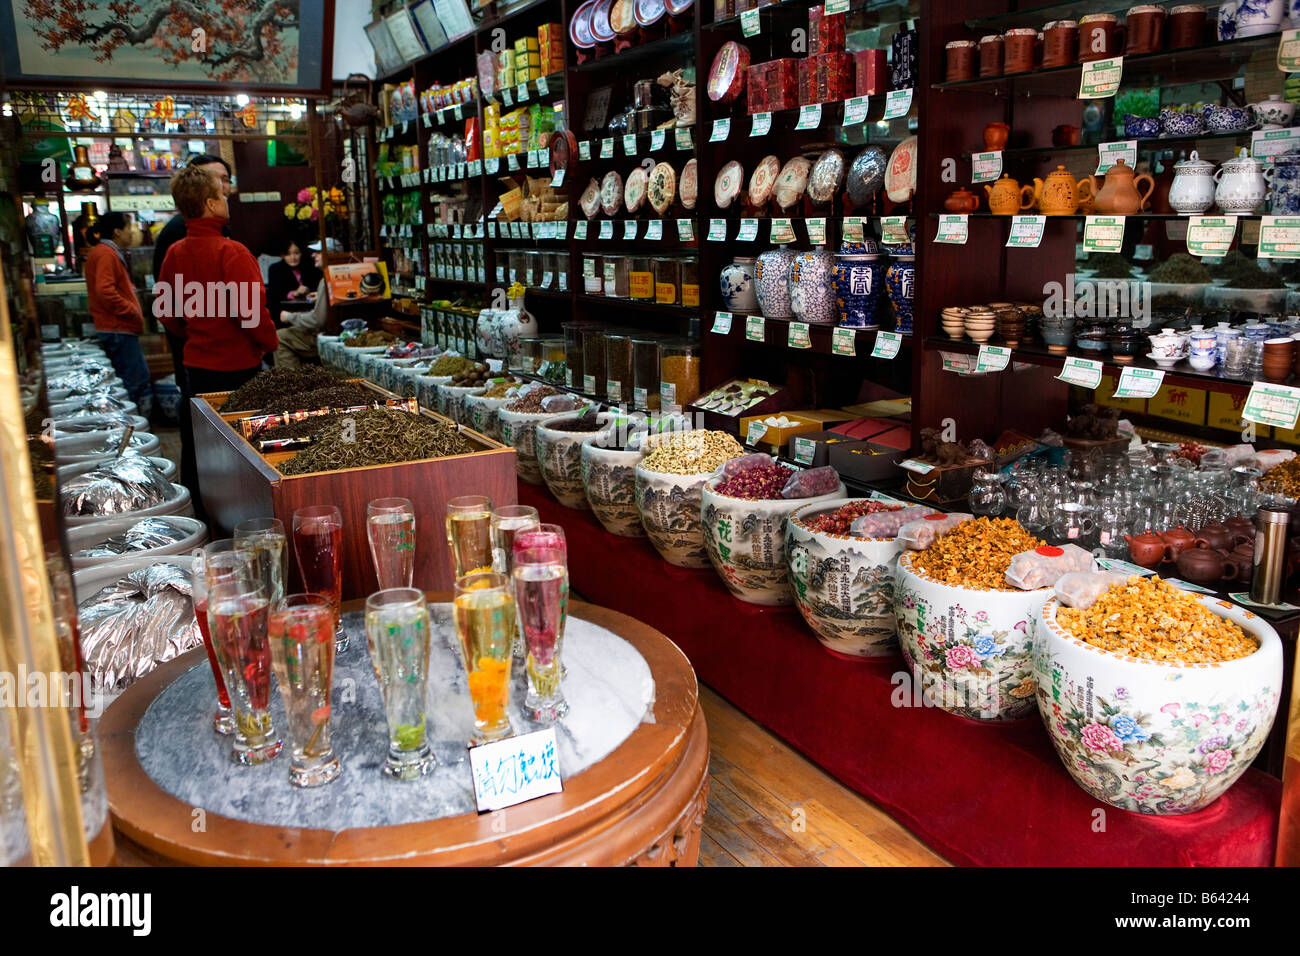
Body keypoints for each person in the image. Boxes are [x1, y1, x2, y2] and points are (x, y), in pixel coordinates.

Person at [158, 165, 277, 510]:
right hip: (238, 369)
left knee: (205, 446)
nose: (228, 199)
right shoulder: (232, 252)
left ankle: (204, 512)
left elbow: (167, 313)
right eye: (222, 194)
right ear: (210, 204)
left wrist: (196, 333)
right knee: (245, 448)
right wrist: (268, 343)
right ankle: (248, 513)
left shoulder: (174, 253)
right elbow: (252, 314)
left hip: (197, 368)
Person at [153, 154, 233, 494]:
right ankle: (207, 500)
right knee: (208, 433)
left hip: (199, 352)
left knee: (209, 432)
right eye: (220, 183)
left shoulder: (217, 235)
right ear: (207, 197)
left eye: (227, 181)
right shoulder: (177, 237)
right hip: (208, 356)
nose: (226, 190)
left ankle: (209, 501)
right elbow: (168, 306)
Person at [84, 212, 153, 418]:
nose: (132, 233)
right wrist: (130, 310)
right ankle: (124, 426)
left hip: (117, 327)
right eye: (128, 227)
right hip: (118, 328)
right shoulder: (106, 253)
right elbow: (105, 290)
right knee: (134, 380)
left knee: (130, 380)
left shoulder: (104, 251)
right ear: (117, 231)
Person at [274, 239, 337, 368]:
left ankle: (294, 383)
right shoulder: (336, 275)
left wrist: (290, 317)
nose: (314, 255)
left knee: (280, 337)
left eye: (319, 252)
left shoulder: (325, 279)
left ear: (331, 254)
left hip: (326, 335)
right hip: (334, 331)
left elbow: (318, 320)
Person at [266, 238, 323, 313]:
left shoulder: (310, 266)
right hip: (286, 312)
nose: (293, 258)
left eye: (296, 253)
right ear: (283, 255)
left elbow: (318, 286)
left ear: (301, 253)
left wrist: (309, 291)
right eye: (288, 254)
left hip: (311, 309)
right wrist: (294, 293)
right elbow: (274, 294)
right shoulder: (275, 269)